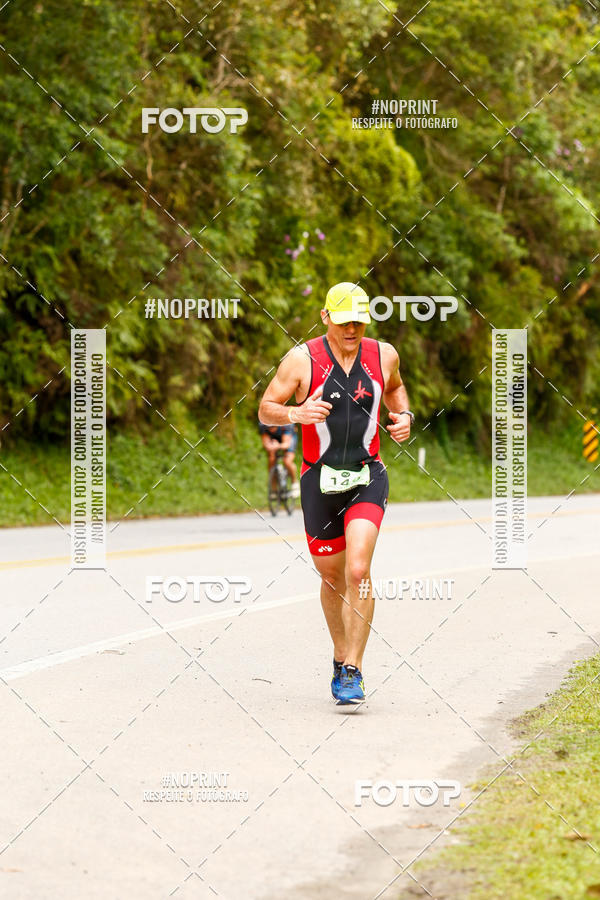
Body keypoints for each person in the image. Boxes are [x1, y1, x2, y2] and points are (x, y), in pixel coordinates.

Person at [258, 282, 413, 704]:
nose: (352, 329)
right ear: (325, 317)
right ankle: (339, 653)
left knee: (358, 571)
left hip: (367, 475)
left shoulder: (383, 354)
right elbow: (265, 406)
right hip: (317, 480)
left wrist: (404, 415)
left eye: (359, 321)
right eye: (344, 321)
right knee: (332, 576)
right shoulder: (301, 360)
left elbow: (396, 389)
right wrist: (296, 412)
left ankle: (353, 669)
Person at [259, 421, 300, 498]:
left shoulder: (286, 424)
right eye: (269, 427)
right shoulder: (263, 424)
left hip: (288, 437)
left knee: (287, 461)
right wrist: (270, 446)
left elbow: (286, 445)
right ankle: (274, 488)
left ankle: (294, 482)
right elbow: (266, 443)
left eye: (273, 427)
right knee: (271, 459)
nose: (271, 429)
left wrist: (278, 446)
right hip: (274, 439)